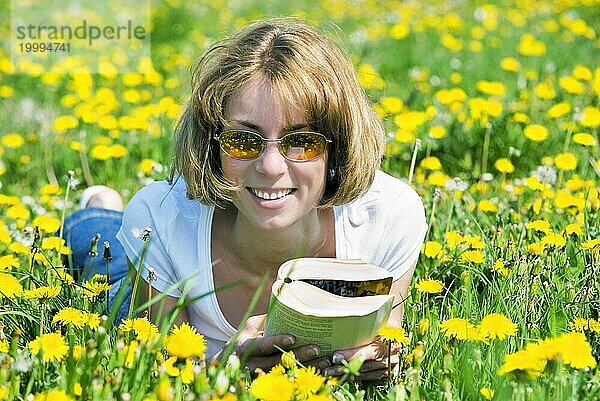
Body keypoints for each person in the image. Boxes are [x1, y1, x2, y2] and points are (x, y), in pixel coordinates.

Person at [65, 17, 427, 380]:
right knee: (104, 267)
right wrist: (223, 367)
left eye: (301, 141)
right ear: (212, 146)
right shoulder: (159, 220)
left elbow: (386, 338)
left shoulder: (388, 217)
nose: (270, 167)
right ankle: (100, 209)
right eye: (243, 140)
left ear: (338, 147)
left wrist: (375, 361)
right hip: (144, 277)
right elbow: (162, 371)